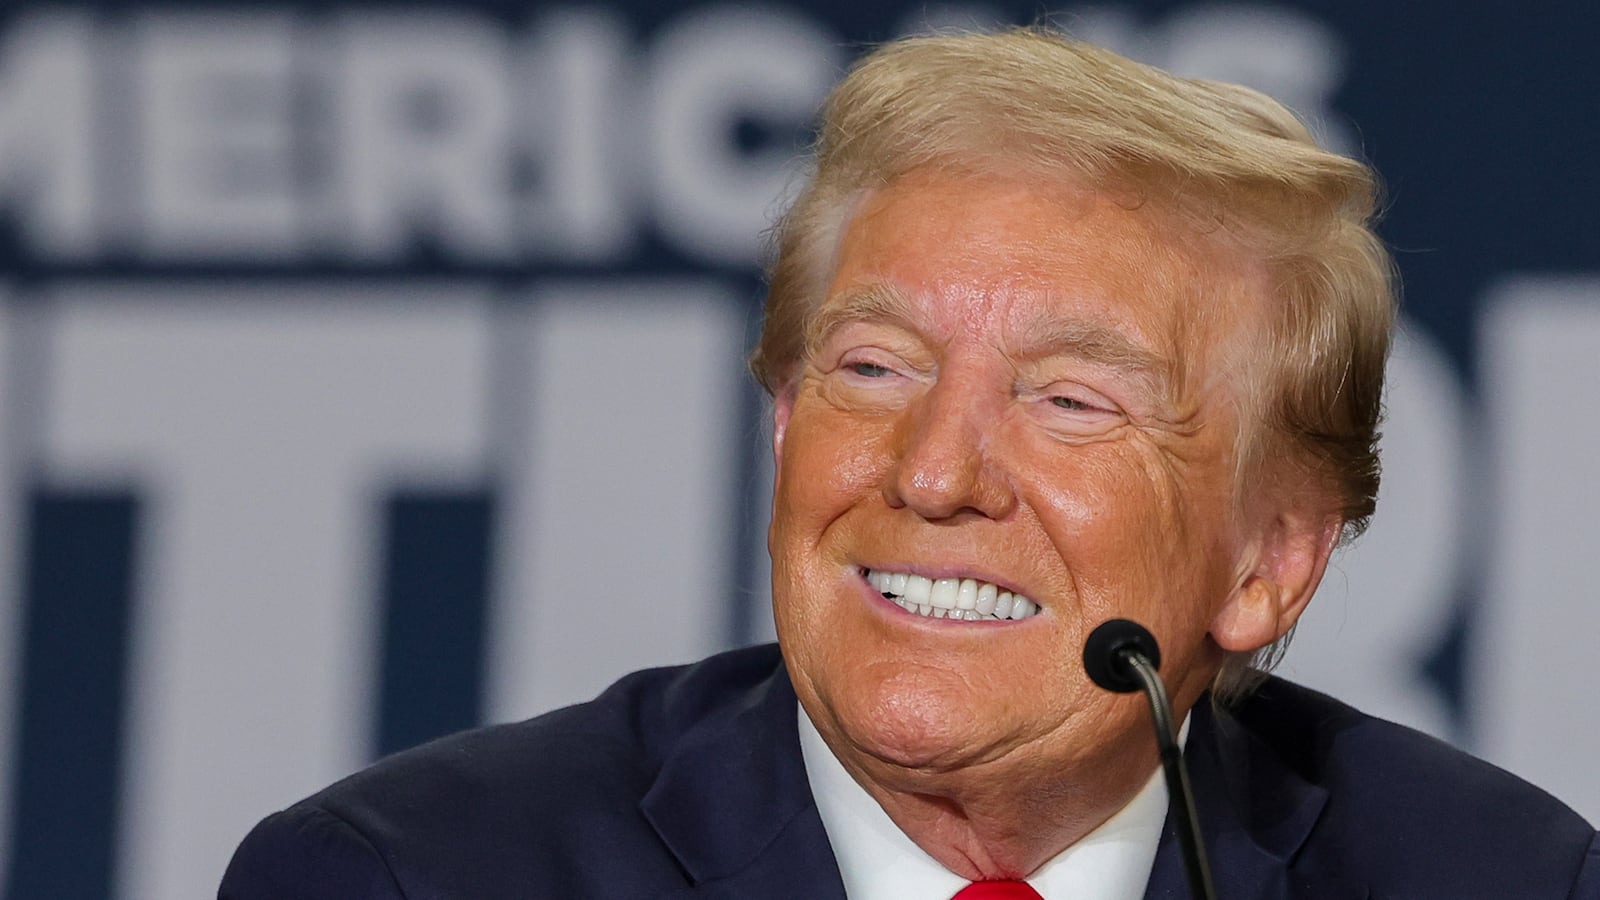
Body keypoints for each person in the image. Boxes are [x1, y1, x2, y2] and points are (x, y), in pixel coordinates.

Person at [219, 28, 1599, 900]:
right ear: (781, 425)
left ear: (1269, 561)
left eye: (1067, 401)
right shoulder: (413, 881)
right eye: (872, 372)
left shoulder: (1503, 882)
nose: (934, 474)